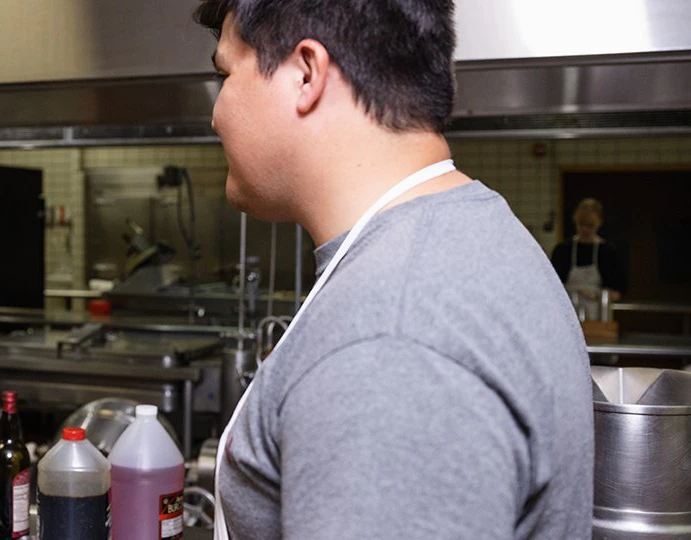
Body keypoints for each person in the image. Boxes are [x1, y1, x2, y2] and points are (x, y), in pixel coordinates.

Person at [195, 1, 593, 538]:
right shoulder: (469, 236)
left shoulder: (390, 340)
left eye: (226, 73)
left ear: (305, 73)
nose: (214, 113)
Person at [549, 198, 628, 319]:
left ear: (599, 223)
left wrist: (596, 295)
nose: (585, 229)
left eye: (590, 225)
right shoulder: (563, 250)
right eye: (581, 224)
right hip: (569, 312)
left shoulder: (608, 252)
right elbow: (552, 286)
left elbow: (617, 291)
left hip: (599, 315)